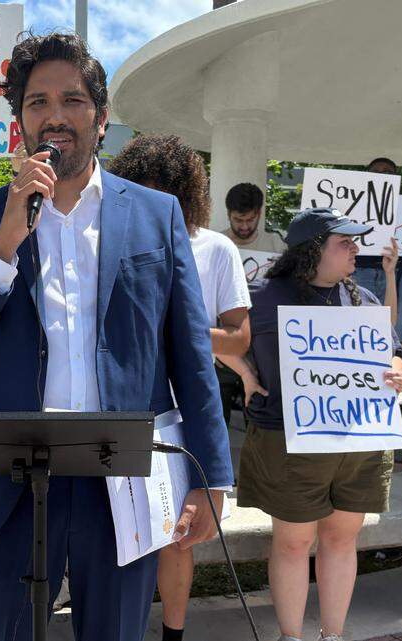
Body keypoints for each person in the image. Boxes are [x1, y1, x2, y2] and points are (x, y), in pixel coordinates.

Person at [0, 32, 233, 641]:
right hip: (7, 482)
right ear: (19, 121)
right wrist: (5, 242)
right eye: (36, 102)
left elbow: (192, 358)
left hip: (121, 484)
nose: (54, 116)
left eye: (72, 100)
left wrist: (211, 475)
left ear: (103, 116)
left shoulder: (156, 214)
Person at [109, 133, 255, 641]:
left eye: (162, 192)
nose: (148, 203)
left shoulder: (216, 249)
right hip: (123, 410)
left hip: (180, 412)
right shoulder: (105, 241)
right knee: (119, 538)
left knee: (177, 537)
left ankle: (173, 633)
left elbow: (238, 337)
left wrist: (177, 328)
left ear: (183, 196)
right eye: (138, 189)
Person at [239, 208, 402, 641]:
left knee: (340, 540)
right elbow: (202, 332)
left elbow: (393, 350)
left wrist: (397, 370)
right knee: (294, 544)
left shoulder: (363, 300)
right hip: (288, 440)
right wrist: (243, 372)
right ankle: (291, 637)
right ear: (312, 251)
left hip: (358, 444)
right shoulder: (261, 295)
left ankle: (333, 635)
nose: (356, 249)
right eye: (344, 242)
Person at [350, 157, 402, 341]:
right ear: (367, 176)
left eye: (388, 172)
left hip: (400, 274)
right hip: (361, 274)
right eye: (377, 171)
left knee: (394, 337)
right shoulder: (353, 204)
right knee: (364, 334)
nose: (382, 175)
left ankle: (393, 367)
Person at [221, 182, 286, 254]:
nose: (244, 227)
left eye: (250, 220)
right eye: (238, 220)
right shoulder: (216, 243)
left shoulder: (275, 245)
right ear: (228, 214)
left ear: (259, 214)